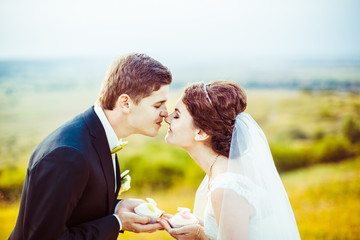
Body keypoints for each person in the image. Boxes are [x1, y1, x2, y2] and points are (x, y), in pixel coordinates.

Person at [9, 53, 172, 240]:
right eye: (158, 105)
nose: (165, 113)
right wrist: (117, 222)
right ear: (125, 103)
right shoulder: (67, 155)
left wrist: (117, 207)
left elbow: (75, 208)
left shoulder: (98, 134)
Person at [160, 81, 301, 239]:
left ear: (200, 132)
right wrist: (198, 225)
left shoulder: (226, 188)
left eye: (177, 115)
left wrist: (200, 235)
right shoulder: (224, 171)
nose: (167, 117)